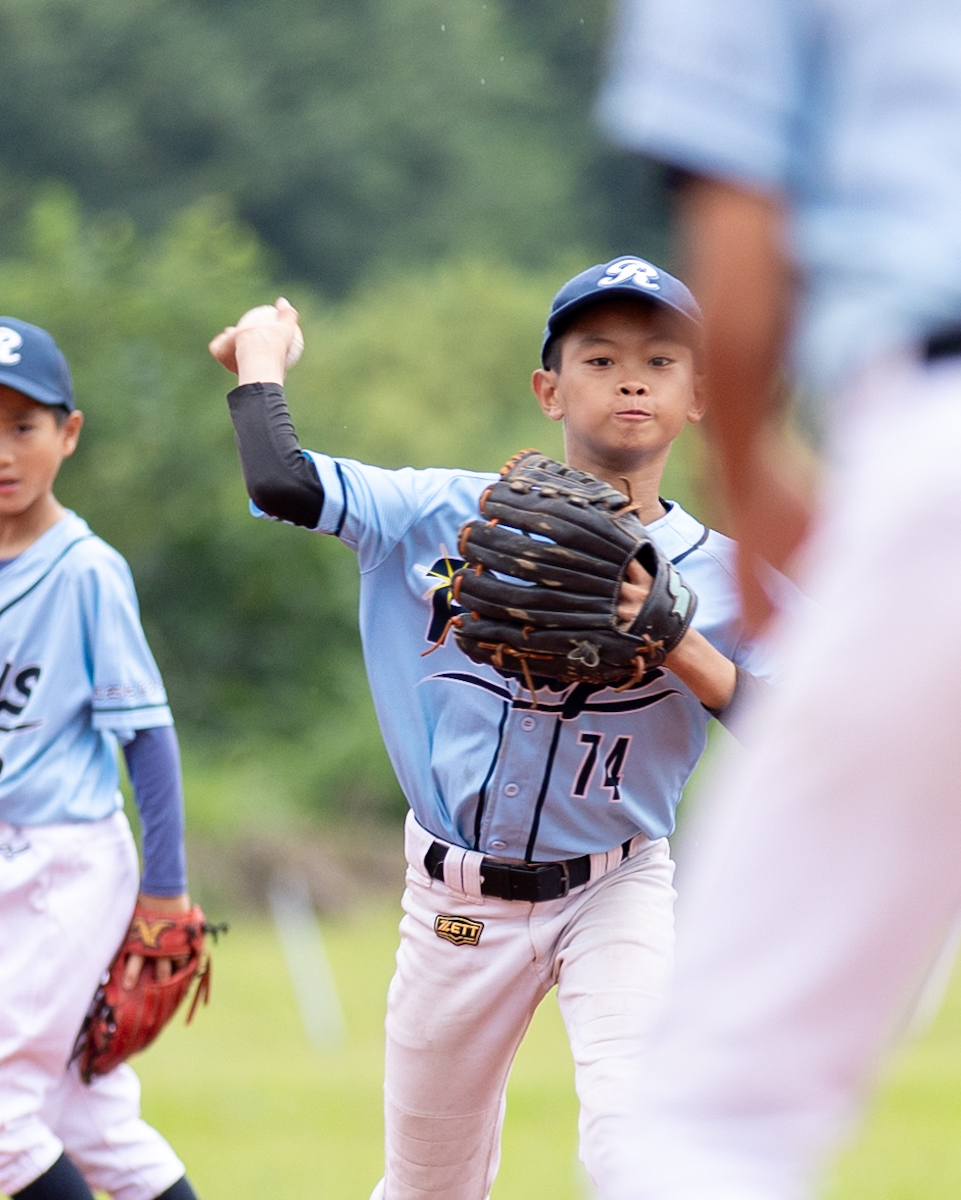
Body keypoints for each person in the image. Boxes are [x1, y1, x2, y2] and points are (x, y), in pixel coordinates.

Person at [209, 257, 777, 1200]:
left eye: (659, 360)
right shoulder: (442, 515)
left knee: (637, 1150)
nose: (631, 380)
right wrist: (260, 357)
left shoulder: (726, 578)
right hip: (454, 904)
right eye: (599, 358)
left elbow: (814, 737)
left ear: (698, 395)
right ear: (548, 390)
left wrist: (678, 642)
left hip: (615, 888)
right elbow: (282, 483)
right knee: (427, 1188)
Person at [595, 1, 961, 1197]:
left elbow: (740, 229)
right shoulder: (446, 503)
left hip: (933, 427)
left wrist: (751, 483)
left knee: (714, 1117)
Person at [0, 318, 201, 1200]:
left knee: (3, 1121)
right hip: (13, 867)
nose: (4, 451)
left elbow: (146, 737)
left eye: (23, 425)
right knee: (89, 1122)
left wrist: (166, 890)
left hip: (66, 862)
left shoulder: (84, 570)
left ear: (69, 432)